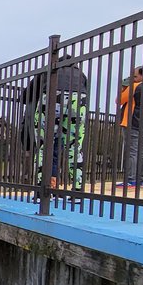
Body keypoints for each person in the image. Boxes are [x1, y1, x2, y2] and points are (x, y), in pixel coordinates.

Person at [22, 62, 89, 195]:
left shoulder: (49, 69)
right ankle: (78, 191)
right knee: (74, 147)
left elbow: (26, 96)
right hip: (78, 101)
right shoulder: (81, 74)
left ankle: (43, 191)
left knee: (44, 146)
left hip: (52, 97)